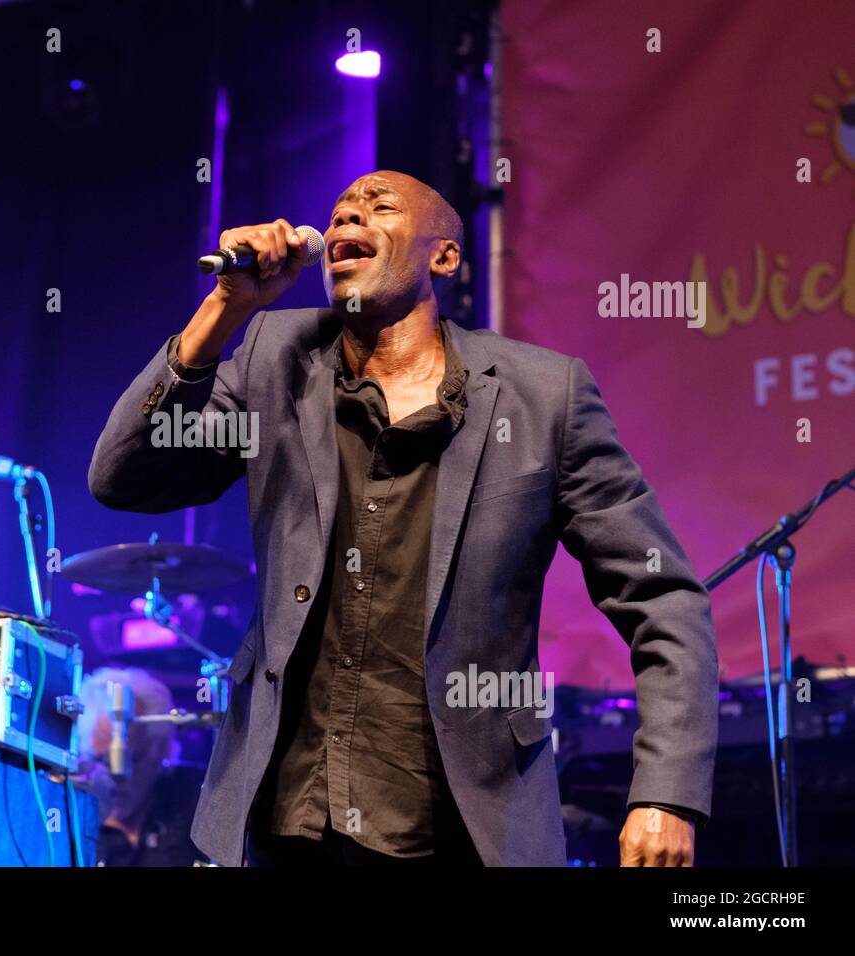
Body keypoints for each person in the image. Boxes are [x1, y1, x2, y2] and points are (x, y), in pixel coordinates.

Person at [88, 170, 718, 867]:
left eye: (378, 206)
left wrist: (666, 793)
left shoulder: (544, 396)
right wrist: (224, 310)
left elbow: (663, 598)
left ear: (443, 258)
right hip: (284, 818)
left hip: (461, 827)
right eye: (340, 211)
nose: (348, 218)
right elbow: (123, 477)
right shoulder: (274, 356)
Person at [76, 667, 206, 867]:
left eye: (129, 761)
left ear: (160, 750)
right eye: (100, 760)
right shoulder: (71, 815)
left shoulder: (200, 796)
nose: (114, 778)